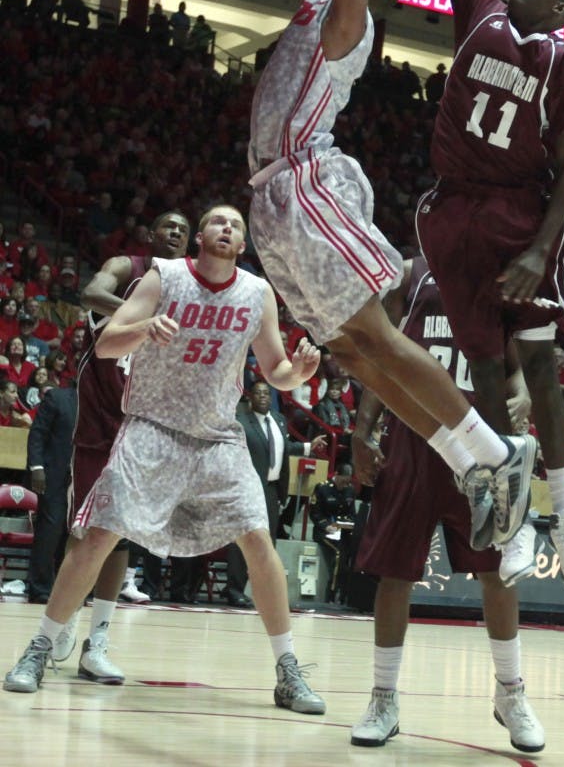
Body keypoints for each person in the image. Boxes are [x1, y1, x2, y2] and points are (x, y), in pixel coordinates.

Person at [246, 0, 535, 551]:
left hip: (309, 181)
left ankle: (498, 452)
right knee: (347, 353)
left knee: (372, 331)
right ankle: (467, 459)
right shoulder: (314, 12)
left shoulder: (346, 20)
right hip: (273, 200)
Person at [5, 205, 326, 716]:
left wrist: (299, 373)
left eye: (236, 225)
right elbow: (106, 344)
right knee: (96, 537)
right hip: (151, 429)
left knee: (260, 543)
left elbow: (276, 370)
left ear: (242, 244)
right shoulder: (164, 276)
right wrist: (144, 328)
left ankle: (287, 672)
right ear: (200, 236)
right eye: (218, 221)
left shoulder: (257, 293)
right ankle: (39, 649)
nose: (227, 228)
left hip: (218, 438)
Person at [404, 0, 564, 591]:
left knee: (539, 369)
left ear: (562, 11)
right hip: (452, 207)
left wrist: (541, 247)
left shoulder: (563, 65)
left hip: (520, 215)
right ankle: (513, 519)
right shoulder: (479, 12)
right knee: (483, 373)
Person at [350, 257, 544, 753]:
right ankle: (383, 697)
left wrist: (521, 396)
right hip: (415, 437)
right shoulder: (409, 274)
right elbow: (381, 359)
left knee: (497, 571)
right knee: (396, 572)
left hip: (481, 439)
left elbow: (517, 368)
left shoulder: (496, 276)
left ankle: (511, 693)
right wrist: (362, 430)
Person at [38, 210, 192, 685]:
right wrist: (146, 319)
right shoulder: (128, 266)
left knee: (120, 533)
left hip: (143, 418)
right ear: (150, 234)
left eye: (184, 230)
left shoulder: (189, 287)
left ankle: (97, 642)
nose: (176, 234)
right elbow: (89, 293)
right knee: (85, 532)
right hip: (99, 410)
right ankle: (59, 622)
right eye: (169, 226)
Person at [224, 380, 325, 606]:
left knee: (268, 543)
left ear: (271, 398)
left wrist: (307, 447)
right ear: (250, 398)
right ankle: (234, 590)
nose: (262, 397)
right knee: (243, 540)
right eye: (258, 393)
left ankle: (261, 591)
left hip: (272, 489)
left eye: (266, 394)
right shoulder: (241, 422)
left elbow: (281, 448)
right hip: (247, 490)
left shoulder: (279, 420)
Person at [25, 385, 77, 601]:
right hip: (54, 476)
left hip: (84, 479)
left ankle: (68, 589)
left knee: (75, 535)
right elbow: (37, 433)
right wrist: (36, 467)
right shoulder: (58, 396)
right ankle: (40, 588)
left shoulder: (100, 402)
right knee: (50, 530)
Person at [310, 462, 358, 604]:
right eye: (342, 481)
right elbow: (314, 513)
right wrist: (326, 526)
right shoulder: (322, 488)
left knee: (354, 552)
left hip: (342, 531)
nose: (344, 485)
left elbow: (351, 514)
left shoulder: (350, 490)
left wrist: (349, 525)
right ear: (336, 475)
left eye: (347, 482)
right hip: (324, 532)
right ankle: (331, 593)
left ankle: (347, 595)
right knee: (339, 554)